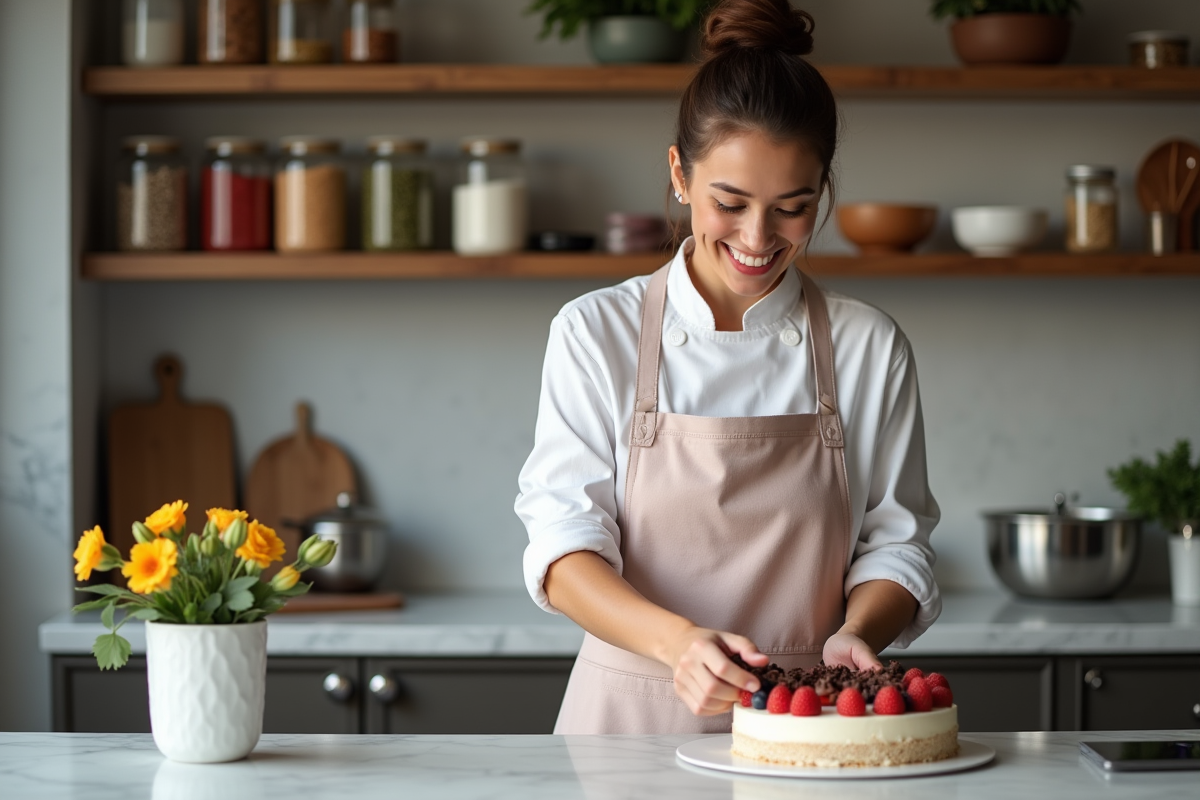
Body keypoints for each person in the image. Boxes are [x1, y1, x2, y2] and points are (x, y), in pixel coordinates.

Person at [515, 0, 941, 735]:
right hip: (628, 726)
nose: (757, 237)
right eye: (731, 201)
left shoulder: (869, 345)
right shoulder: (596, 332)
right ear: (680, 175)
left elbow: (897, 544)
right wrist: (678, 644)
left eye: (793, 207)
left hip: (810, 722)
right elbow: (563, 546)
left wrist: (856, 636)